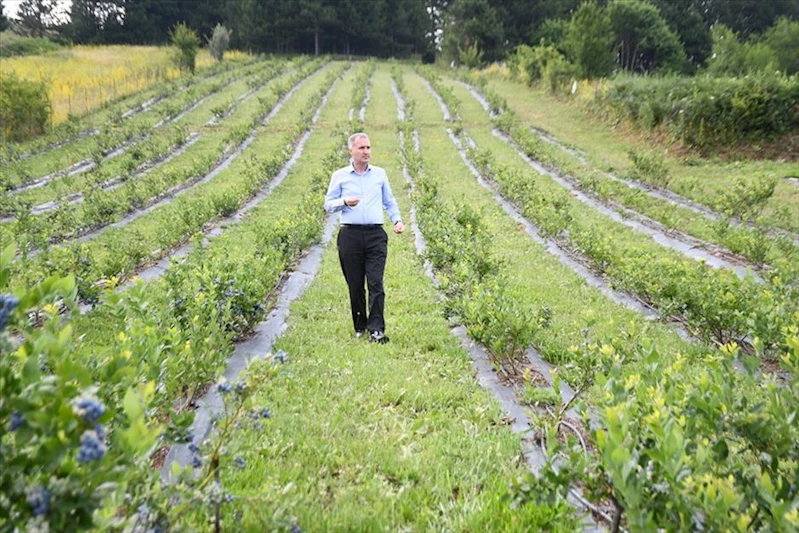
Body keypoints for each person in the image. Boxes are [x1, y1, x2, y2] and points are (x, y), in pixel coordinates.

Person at [324, 133, 404, 344]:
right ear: (351, 151)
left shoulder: (379, 174)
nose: (366, 152)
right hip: (350, 235)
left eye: (368, 147)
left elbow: (389, 201)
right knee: (355, 284)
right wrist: (344, 201)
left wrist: (397, 220)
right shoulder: (340, 175)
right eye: (361, 148)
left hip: (375, 235)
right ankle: (360, 326)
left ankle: (377, 329)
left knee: (376, 282)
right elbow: (328, 204)